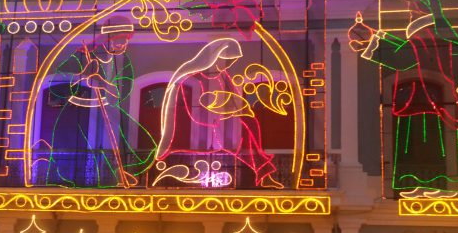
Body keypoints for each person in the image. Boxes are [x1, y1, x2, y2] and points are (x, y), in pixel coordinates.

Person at [348, 0, 458, 198]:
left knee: (429, 140)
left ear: (424, 9)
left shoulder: (430, 34)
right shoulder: (424, 34)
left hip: (428, 99)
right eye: (410, 8)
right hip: (418, 97)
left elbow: (407, 57)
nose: (410, 12)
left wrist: (371, 40)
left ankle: (438, 184)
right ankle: (419, 182)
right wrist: (375, 38)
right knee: (415, 141)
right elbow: (407, 50)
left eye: (413, 7)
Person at [40, 15, 156, 188]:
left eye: (125, 42)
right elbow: (56, 87)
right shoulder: (81, 56)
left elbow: (119, 94)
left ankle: (121, 172)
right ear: (107, 39)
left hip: (107, 109)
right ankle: (70, 179)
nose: (122, 46)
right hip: (76, 112)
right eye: (119, 42)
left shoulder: (124, 64)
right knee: (72, 140)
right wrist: (81, 77)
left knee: (139, 141)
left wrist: (101, 82)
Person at [157, 38, 283, 189]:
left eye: (232, 61)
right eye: (226, 60)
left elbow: (235, 101)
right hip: (203, 129)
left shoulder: (223, 76)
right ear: (215, 56)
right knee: (245, 129)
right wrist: (221, 116)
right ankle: (263, 173)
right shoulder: (192, 80)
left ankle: (262, 173)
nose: (228, 65)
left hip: (224, 125)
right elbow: (193, 111)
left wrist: (239, 111)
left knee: (250, 123)